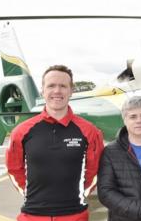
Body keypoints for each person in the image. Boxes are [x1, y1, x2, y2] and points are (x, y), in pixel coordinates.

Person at [6, 64, 104, 221]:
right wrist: (30, 194)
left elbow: (95, 171)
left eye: (63, 86)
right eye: (51, 85)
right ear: (43, 90)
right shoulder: (21, 131)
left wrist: (80, 194)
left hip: (75, 215)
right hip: (31, 215)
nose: (57, 91)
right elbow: (14, 168)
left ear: (71, 90)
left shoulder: (90, 131)